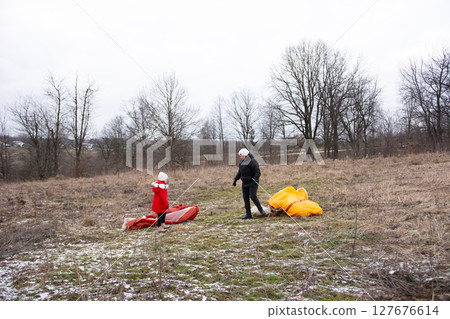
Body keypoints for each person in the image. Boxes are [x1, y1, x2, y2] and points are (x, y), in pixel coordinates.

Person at [233, 148, 266, 219]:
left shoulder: (252, 161)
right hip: (244, 183)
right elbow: (240, 172)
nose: (240, 157)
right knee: (246, 198)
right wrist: (235, 179)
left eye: (241, 155)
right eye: (240, 156)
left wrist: (255, 179)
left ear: (245, 155)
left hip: (252, 182)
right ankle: (248, 214)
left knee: (253, 197)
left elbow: (257, 172)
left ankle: (261, 211)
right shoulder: (241, 162)